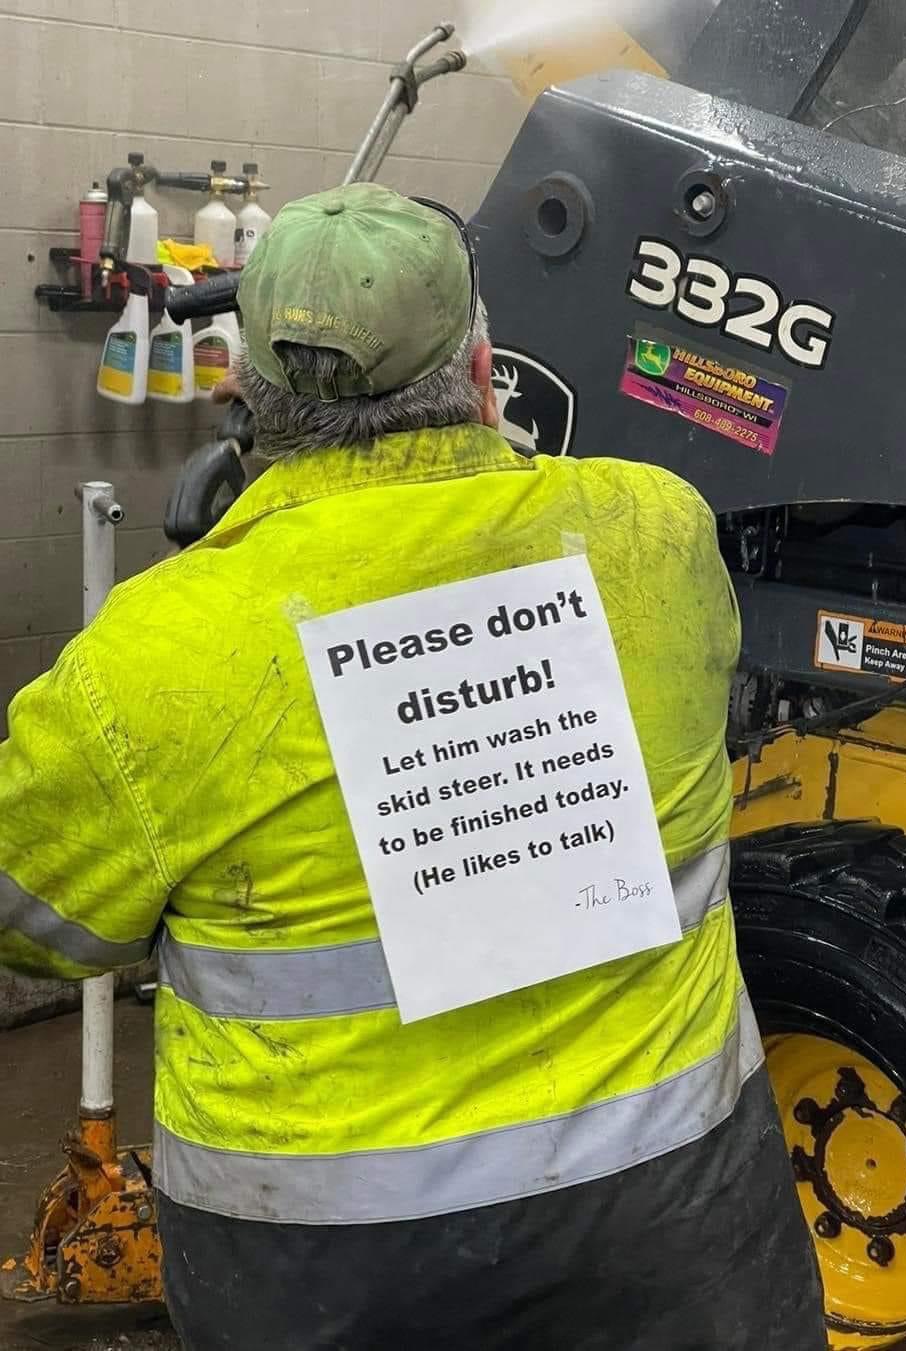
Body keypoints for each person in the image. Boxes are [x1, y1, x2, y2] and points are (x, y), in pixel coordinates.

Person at [0, 184, 825, 1350]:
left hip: (327, 1266)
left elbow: (38, 923)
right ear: (485, 373)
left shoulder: (151, 656)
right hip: (675, 1219)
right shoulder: (657, 534)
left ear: (244, 394)